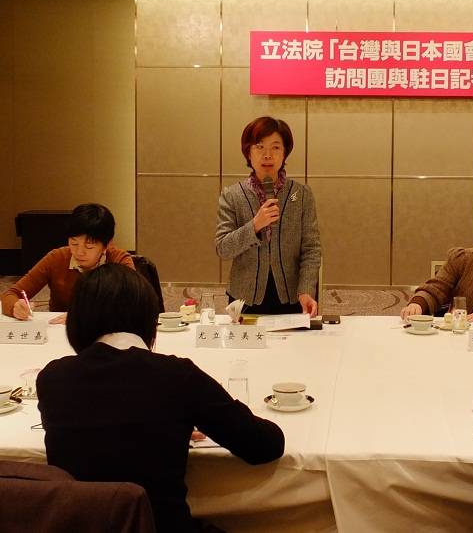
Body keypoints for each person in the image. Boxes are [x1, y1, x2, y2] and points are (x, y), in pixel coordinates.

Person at [37, 264, 285, 533]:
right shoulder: (176, 375)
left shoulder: (52, 379)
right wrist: (181, 420)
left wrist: (171, 423)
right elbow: (265, 445)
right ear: (147, 318)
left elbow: (103, 426)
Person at [216, 116, 321, 317]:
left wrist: (306, 289)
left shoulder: (301, 195)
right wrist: (255, 225)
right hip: (244, 299)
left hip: (292, 298)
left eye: (275, 147)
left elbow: (311, 249)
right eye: (259, 147)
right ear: (248, 152)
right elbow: (223, 248)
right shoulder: (232, 195)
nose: (267, 155)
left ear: (284, 153)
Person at [1, 203, 134, 324]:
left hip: (103, 332)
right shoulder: (57, 258)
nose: (79, 252)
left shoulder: (119, 261)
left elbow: (133, 304)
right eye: (74, 243)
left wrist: (84, 316)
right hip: (59, 331)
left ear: (107, 245)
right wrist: (15, 307)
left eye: (89, 246)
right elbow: (10, 294)